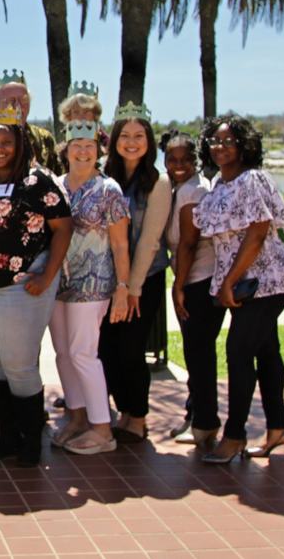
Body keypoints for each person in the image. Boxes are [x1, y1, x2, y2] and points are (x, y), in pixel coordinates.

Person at [0, 108, 72, 467]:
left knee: (19, 364)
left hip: (21, 287)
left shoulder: (39, 182)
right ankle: (7, 436)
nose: (0, 149)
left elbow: (64, 228)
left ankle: (31, 439)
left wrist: (47, 276)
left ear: (20, 144)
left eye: (7, 142)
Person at [193, 115, 284, 464]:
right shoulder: (219, 186)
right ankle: (277, 430)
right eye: (213, 140)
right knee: (267, 352)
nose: (219, 146)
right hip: (244, 284)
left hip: (269, 281)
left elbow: (256, 235)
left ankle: (235, 435)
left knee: (238, 351)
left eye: (227, 140)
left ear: (244, 144)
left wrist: (227, 284)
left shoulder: (252, 180)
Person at [48, 116, 130, 456]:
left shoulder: (108, 190)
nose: (82, 152)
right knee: (64, 355)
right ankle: (78, 417)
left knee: (83, 353)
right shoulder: (55, 185)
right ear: (65, 148)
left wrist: (123, 287)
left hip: (92, 284)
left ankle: (102, 428)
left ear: (98, 150)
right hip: (58, 283)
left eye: (89, 146)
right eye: (76, 145)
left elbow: (121, 244)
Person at [98, 103, 171, 445]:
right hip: (105, 281)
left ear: (149, 141)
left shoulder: (158, 183)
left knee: (130, 348)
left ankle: (137, 418)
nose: (131, 142)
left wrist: (132, 288)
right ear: (113, 140)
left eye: (138, 136)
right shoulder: (103, 177)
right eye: (124, 136)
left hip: (143, 280)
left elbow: (150, 241)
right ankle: (123, 410)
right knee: (106, 349)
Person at [163, 130, 226, 449]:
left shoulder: (193, 192)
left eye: (185, 159)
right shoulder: (180, 189)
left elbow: (188, 242)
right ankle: (195, 413)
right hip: (194, 278)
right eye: (171, 159)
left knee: (199, 353)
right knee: (194, 351)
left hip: (200, 280)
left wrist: (178, 286)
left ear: (196, 161)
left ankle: (205, 423)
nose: (178, 165)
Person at [0, 70, 63, 174]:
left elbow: (58, 180)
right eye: (10, 101)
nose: (17, 107)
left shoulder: (44, 139)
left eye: (23, 100)